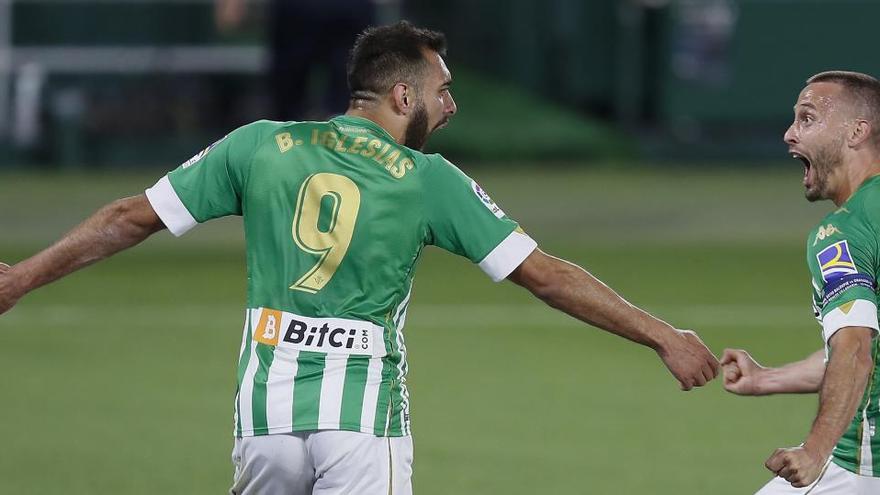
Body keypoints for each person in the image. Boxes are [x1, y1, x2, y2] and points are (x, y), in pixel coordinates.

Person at [0, 21, 719, 495]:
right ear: (402, 93)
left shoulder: (259, 145)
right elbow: (545, 274)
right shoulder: (427, 179)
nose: (452, 107)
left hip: (265, 417)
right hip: (361, 423)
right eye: (443, 92)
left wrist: (20, 277)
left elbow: (130, 217)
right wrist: (662, 333)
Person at [722, 71, 880, 494]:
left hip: (865, 468)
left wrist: (815, 448)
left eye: (807, 119)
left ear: (857, 132)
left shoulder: (845, 231)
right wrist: (766, 379)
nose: (790, 134)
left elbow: (855, 348)